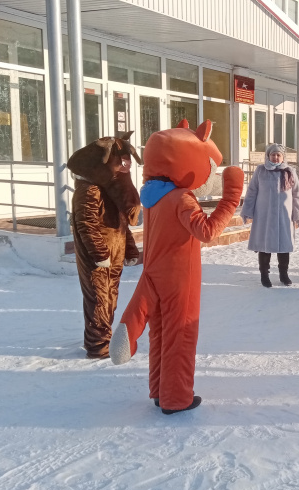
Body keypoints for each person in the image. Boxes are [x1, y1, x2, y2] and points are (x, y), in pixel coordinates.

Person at [109, 120, 244, 414]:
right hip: (180, 275)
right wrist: (231, 198)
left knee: (159, 334)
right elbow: (207, 231)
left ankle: (158, 388)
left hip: (154, 270)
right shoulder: (182, 198)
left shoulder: (152, 193)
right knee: (180, 334)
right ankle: (176, 397)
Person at [67, 133, 141, 359]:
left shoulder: (108, 188)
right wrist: (98, 253)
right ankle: (97, 345)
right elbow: (86, 223)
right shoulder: (88, 190)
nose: (123, 168)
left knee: (110, 297)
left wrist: (129, 249)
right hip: (98, 258)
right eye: (120, 163)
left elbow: (121, 223)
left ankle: (104, 335)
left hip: (114, 255)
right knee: (99, 299)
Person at [241, 144, 299, 288]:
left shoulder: (290, 172)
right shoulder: (260, 171)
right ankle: (264, 275)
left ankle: (284, 274)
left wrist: (298, 213)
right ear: (268, 156)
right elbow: (252, 191)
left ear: (283, 157)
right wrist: (247, 211)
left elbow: (297, 194)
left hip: (284, 214)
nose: (275, 158)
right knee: (265, 246)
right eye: (273, 155)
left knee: (284, 246)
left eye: (278, 155)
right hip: (265, 215)